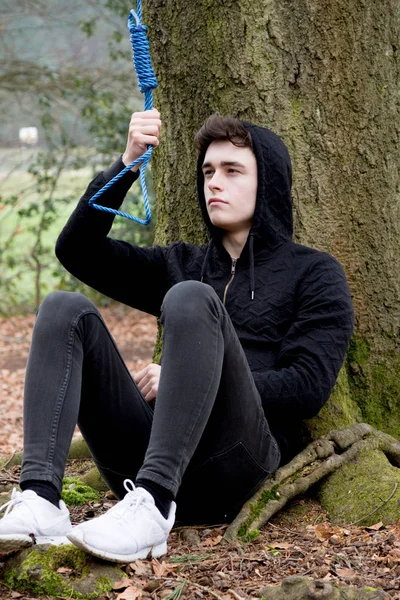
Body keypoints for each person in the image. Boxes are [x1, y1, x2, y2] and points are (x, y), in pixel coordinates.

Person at [0, 110, 354, 562]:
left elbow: (308, 388)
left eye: (232, 171)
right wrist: (127, 164)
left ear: (268, 184)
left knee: (191, 297)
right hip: (142, 460)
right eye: (207, 171)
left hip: (239, 464)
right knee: (63, 309)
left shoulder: (314, 273)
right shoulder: (182, 263)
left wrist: (187, 379)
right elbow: (77, 251)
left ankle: (155, 506)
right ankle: (41, 501)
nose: (214, 183)